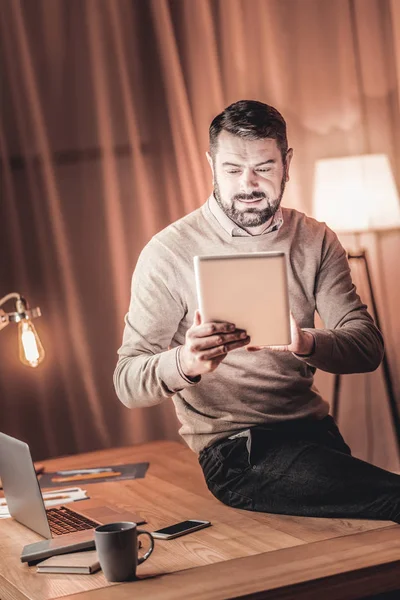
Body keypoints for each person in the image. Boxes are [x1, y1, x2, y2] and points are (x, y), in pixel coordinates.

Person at [114, 100, 400, 522]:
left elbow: (367, 347)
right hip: (235, 451)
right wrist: (186, 362)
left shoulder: (315, 239)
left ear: (286, 162)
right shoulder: (168, 252)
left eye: (264, 168)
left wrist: (304, 341)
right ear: (211, 164)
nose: (248, 184)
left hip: (316, 437)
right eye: (232, 169)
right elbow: (127, 383)